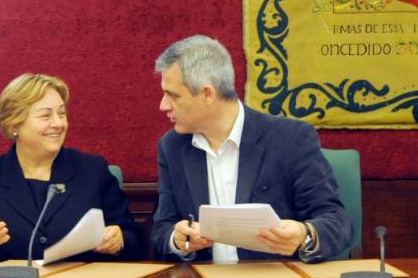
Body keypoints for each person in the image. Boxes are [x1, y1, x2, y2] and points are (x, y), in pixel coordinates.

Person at [151, 35, 352, 262]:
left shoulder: (290, 139)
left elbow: (337, 221)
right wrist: (178, 240)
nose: (163, 105)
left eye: (173, 95)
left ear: (207, 94)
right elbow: (162, 230)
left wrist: (304, 235)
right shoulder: (172, 147)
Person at [0, 73, 144, 265]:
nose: (58, 123)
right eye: (46, 115)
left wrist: (119, 241)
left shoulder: (93, 170)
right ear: (14, 124)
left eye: (62, 114)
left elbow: (135, 238)